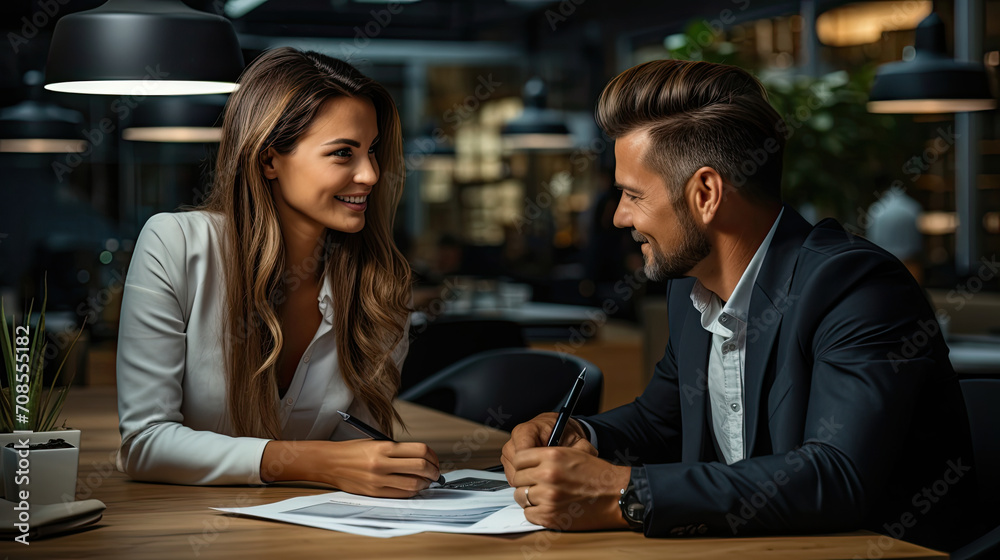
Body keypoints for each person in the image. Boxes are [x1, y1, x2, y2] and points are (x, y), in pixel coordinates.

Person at [501, 59, 979, 551]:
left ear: (705, 193)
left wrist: (621, 491)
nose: (621, 217)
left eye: (633, 195)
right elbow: (660, 422)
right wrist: (578, 434)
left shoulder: (855, 285)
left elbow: (836, 475)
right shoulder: (690, 293)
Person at [116, 47, 442, 497]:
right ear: (270, 160)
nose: (369, 174)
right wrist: (317, 462)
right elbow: (144, 443)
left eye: (373, 151)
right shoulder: (176, 245)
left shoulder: (379, 287)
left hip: (312, 528)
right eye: (343, 153)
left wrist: (385, 468)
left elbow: (355, 448)